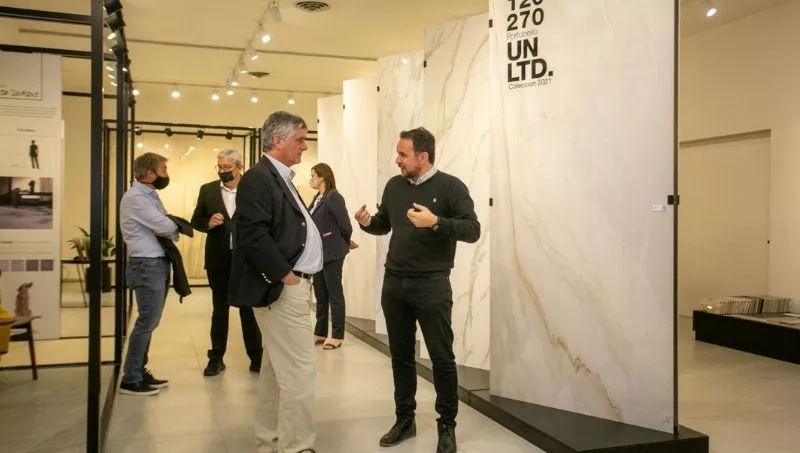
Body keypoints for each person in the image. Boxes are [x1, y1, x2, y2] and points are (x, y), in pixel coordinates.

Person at [355, 127, 480, 453]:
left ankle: (447, 426)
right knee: (400, 356)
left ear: (423, 156)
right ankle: (404, 420)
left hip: (432, 284)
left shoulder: (451, 187)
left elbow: (472, 230)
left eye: (403, 154)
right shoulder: (395, 186)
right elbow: (384, 223)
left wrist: (436, 222)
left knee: (442, 358)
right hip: (394, 282)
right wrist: (368, 223)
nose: (397, 160)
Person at [228, 111, 322, 453]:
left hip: (291, 286)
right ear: (278, 140)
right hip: (283, 289)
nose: (305, 146)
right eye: (300, 139)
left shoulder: (279, 178)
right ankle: (298, 446)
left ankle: (267, 439)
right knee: (299, 371)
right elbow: (253, 234)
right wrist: (285, 275)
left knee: (274, 371)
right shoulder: (259, 178)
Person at [191, 149, 262, 377]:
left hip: (247, 260)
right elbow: (196, 220)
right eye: (219, 167)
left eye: (227, 167)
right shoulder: (208, 190)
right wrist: (208, 222)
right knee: (219, 310)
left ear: (239, 167)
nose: (222, 171)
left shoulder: (253, 190)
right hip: (218, 259)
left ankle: (257, 357)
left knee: (248, 311)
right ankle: (216, 358)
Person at [118, 152, 178, 396]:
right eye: (163, 169)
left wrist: (169, 228)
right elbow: (166, 225)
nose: (166, 174)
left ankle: (139, 371)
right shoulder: (136, 198)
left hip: (155, 264)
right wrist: (170, 227)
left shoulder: (149, 195)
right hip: (146, 265)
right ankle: (131, 378)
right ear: (150, 173)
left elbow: (167, 227)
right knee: (146, 322)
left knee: (150, 322)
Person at [308, 163, 357, 350]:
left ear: (322, 176)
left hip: (333, 252)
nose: (311, 179)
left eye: (313, 175)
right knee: (320, 294)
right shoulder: (317, 198)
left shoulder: (333, 196)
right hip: (318, 253)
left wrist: (346, 241)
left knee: (334, 294)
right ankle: (320, 332)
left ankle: (337, 335)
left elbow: (345, 225)